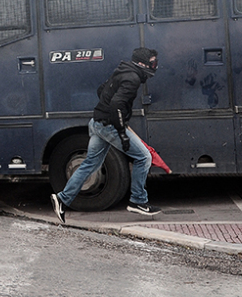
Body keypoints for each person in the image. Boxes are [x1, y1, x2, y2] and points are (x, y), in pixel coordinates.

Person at [51, 47, 161, 223]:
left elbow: (102, 91)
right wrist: (122, 133)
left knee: (90, 164)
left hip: (97, 123)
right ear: (142, 63)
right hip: (109, 126)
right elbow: (116, 104)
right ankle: (138, 201)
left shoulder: (122, 71)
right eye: (153, 63)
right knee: (144, 157)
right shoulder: (132, 79)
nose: (155, 66)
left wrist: (111, 112)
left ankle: (63, 199)